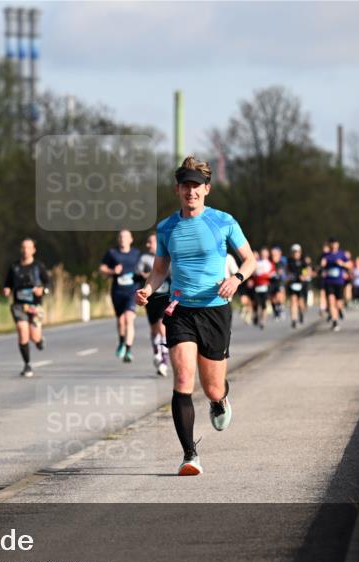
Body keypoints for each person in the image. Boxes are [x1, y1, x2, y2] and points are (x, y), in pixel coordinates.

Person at [136, 156, 256, 476]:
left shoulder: (223, 221)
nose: (191, 191)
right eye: (185, 186)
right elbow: (160, 269)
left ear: (206, 189)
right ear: (177, 189)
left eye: (196, 186)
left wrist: (236, 279)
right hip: (180, 310)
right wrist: (147, 289)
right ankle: (190, 455)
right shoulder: (166, 227)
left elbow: (249, 260)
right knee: (183, 379)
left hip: (214, 309)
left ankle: (219, 401)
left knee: (213, 387)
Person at [3, 238, 51, 378]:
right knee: (22, 331)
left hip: (35, 306)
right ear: (21, 249)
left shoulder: (38, 266)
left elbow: (49, 283)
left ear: (34, 250)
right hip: (19, 305)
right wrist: (7, 289)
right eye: (23, 247)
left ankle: (39, 341)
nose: (25, 250)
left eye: (29, 247)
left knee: (34, 337)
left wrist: (43, 290)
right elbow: (7, 283)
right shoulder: (14, 266)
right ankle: (27, 364)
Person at [100, 229, 142, 363]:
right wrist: (112, 271)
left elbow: (144, 267)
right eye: (120, 237)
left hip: (132, 291)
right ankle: (121, 341)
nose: (123, 239)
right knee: (120, 321)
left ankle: (128, 350)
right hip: (117, 292)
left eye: (125, 237)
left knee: (129, 318)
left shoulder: (136, 254)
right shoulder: (112, 253)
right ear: (118, 239)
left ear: (131, 239)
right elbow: (102, 269)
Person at [137, 233, 171, 376]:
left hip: (165, 296)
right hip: (151, 297)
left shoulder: (168, 256)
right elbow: (137, 273)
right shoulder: (144, 258)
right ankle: (157, 351)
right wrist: (145, 275)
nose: (148, 245)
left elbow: (173, 273)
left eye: (150, 242)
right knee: (153, 329)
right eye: (147, 242)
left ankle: (164, 360)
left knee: (162, 327)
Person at [321, 237, 352, 331]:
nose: (334, 245)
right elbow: (322, 265)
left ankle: (340, 310)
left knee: (338, 303)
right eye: (332, 243)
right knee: (331, 301)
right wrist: (323, 264)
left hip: (339, 282)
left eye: (335, 243)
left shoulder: (342, 254)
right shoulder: (326, 255)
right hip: (329, 282)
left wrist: (342, 264)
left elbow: (350, 265)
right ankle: (335, 322)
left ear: (338, 244)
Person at [284, 243, 311, 329]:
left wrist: (304, 276)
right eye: (294, 252)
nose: (296, 253)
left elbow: (307, 270)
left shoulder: (303, 261)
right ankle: (294, 320)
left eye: (297, 252)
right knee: (293, 301)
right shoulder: (289, 261)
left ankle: (301, 313)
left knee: (301, 302)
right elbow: (286, 271)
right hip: (293, 283)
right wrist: (288, 277)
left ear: (300, 252)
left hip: (301, 283)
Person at [251, 247, 275, 330]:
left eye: (265, 253)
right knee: (256, 303)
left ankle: (263, 321)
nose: (264, 255)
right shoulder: (256, 262)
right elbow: (252, 273)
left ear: (268, 254)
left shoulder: (270, 263)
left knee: (264, 304)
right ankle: (256, 315)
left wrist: (265, 277)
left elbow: (272, 275)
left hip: (265, 286)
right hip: (256, 286)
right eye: (262, 253)